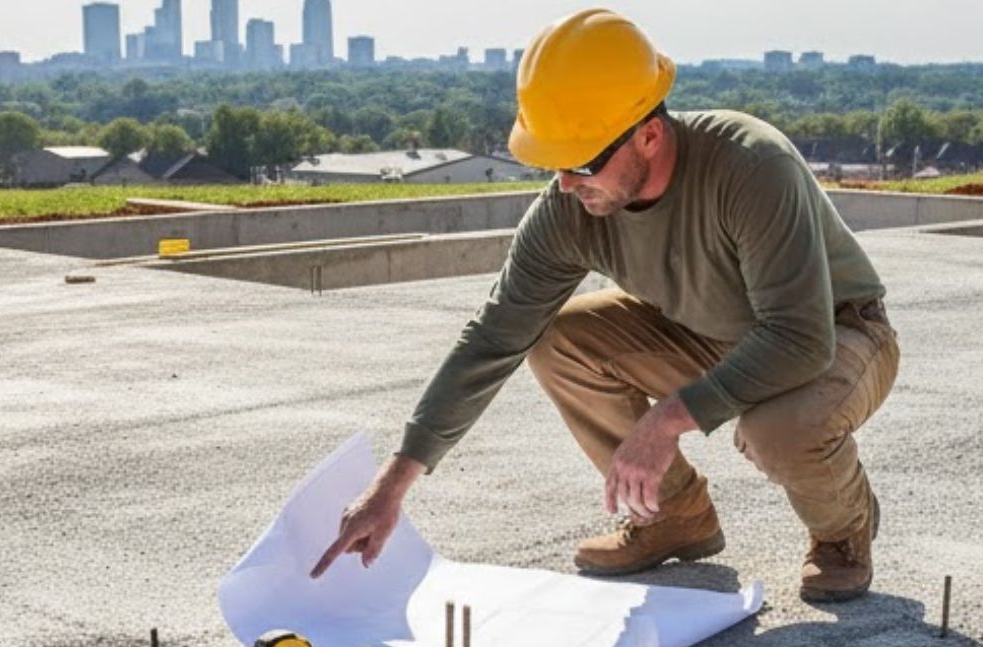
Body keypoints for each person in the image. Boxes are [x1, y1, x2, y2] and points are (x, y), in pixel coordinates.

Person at [312, 8, 898, 602]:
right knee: (556, 339)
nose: (566, 183)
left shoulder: (750, 166)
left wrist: (667, 419)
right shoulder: (571, 207)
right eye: (554, 162)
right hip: (708, 332)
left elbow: (799, 337)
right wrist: (394, 482)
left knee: (777, 429)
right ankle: (673, 515)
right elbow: (493, 338)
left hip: (838, 332)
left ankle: (842, 534)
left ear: (649, 135)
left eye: (583, 161)